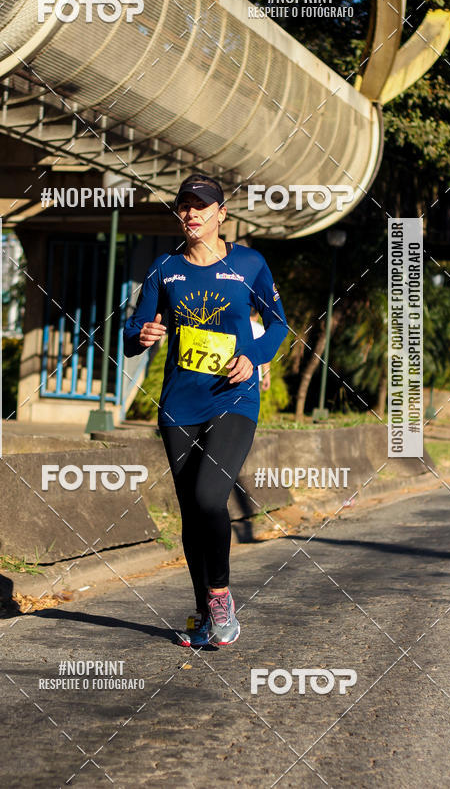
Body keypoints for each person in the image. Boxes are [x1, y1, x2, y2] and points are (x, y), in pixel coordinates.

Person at [123, 173, 288, 647]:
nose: (191, 213)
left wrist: (252, 357)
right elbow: (133, 333)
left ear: (221, 214)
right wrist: (143, 336)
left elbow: (278, 325)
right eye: (185, 205)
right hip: (179, 404)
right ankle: (201, 613)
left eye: (202, 205)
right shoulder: (164, 269)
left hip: (233, 398)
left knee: (210, 498)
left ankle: (219, 598)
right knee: (192, 514)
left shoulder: (249, 264)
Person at [250, 309, 272, 391]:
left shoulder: (238, 327)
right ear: (257, 316)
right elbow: (265, 355)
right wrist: (267, 376)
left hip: (235, 373)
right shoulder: (261, 330)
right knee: (251, 403)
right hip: (255, 376)